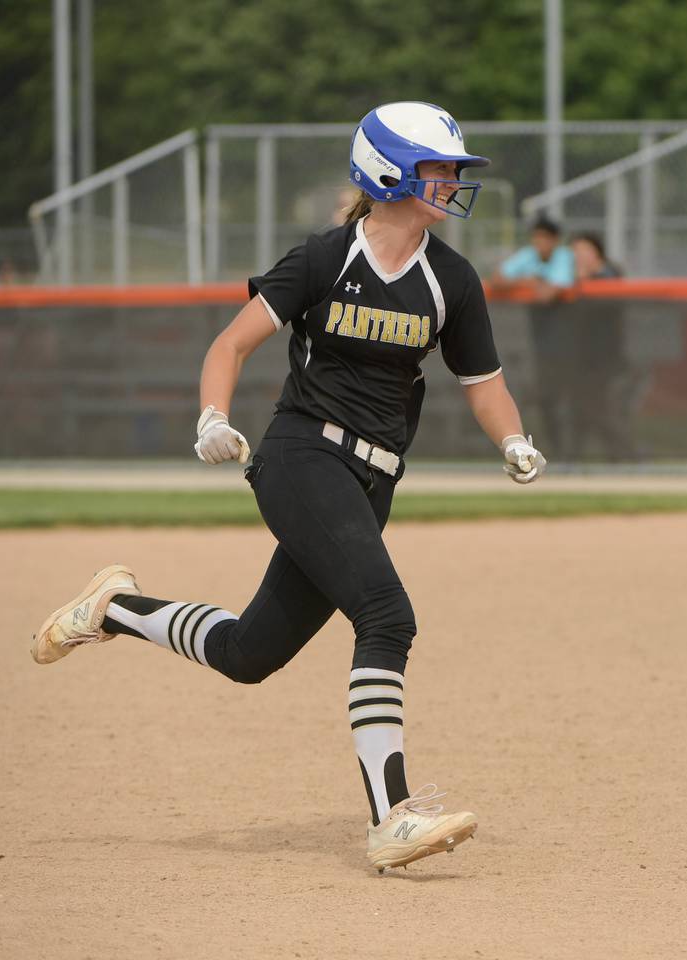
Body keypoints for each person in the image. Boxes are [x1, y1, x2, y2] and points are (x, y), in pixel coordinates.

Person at [28, 102, 546, 874]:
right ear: (387, 172)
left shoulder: (452, 281)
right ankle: (391, 817)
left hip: (373, 480)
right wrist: (210, 415)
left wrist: (512, 437)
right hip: (301, 459)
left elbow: (484, 382)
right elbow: (230, 344)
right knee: (387, 617)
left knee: (249, 653)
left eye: (452, 170)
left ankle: (115, 608)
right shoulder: (325, 258)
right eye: (437, 168)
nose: (451, 183)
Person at [495, 218, 576, 459]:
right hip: (541, 342)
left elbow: (549, 294)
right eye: (536, 237)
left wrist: (532, 283)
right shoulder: (530, 255)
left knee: (571, 398)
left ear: (555, 240)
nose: (539, 243)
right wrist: (528, 282)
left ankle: (574, 454)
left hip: (571, 340)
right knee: (547, 397)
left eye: (544, 238)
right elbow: (498, 279)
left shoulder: (563, 256)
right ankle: (559, 452)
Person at [569, 233, 639, 461]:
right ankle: (578, 457)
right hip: (583, 357)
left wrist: (583, 281)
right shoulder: (574, 278)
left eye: (584, 250)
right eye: (575, 251)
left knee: (597, 408)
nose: (578, 256)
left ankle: (626, 454)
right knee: (584, 408)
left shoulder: (608, 274)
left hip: (606, 358)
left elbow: (603, 305)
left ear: (596, 252)